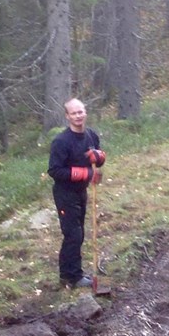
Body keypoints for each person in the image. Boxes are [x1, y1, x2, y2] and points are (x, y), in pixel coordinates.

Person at [48, 98, 106, 289]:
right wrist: (85, 174)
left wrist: (99, 159)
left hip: (81, 192)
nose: (78, 116)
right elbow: (55, 171)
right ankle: (72, 277)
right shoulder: (61, 141)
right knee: (73, 234)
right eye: (74, 113)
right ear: (67, 116)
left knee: (77, 233)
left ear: (85, 112)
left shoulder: (91, 136)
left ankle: (68, 274)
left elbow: (96, 162)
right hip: (65, 194)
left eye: (80, 112)